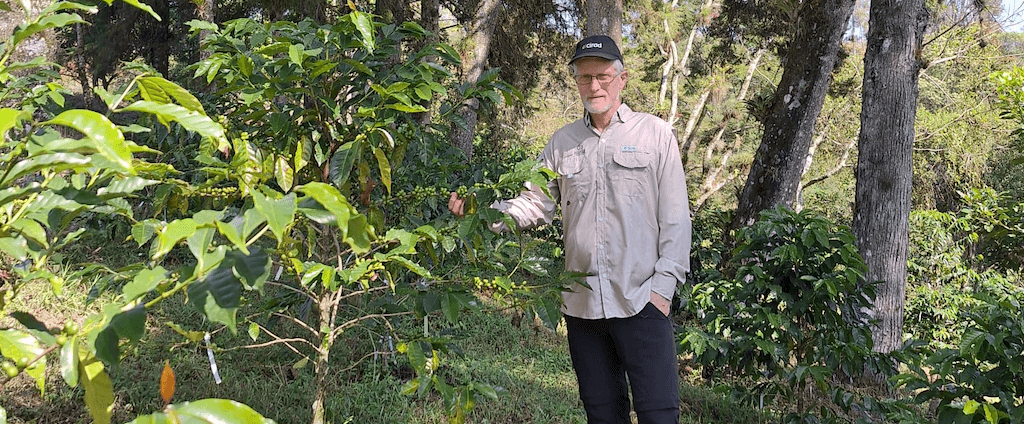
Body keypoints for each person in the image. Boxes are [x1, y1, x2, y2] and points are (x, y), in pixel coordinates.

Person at [448, 34, 691, 424]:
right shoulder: (562, 143)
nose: (594, 85)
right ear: (576, 81)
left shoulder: (655, 135)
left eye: (603, 76)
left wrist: (662, 292)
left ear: (622, 78)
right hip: (582, 306)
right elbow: (535, 206)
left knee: (659, 415)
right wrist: (479, 211)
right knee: (602, 414)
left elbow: (677, 218)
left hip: (642, 301)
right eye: (584, 77)